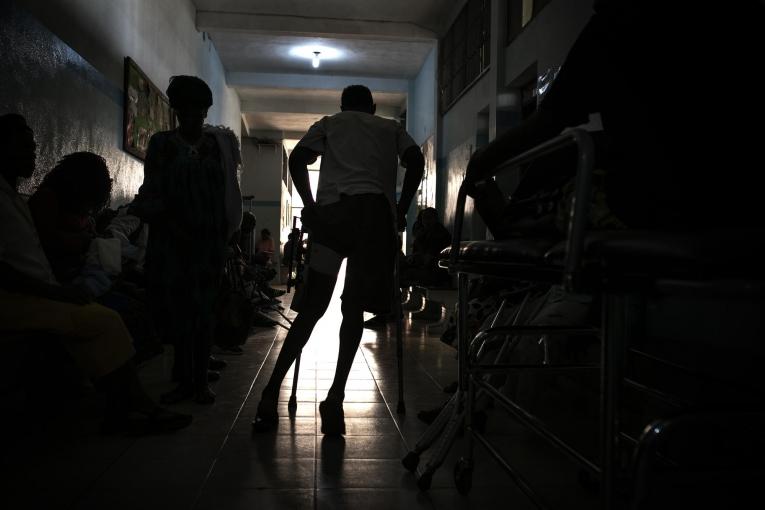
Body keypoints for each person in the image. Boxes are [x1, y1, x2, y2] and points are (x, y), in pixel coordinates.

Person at [465, 1, 764, 232]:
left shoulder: (615, 25)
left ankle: (520, 271)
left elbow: (547, 123)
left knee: (558, 169)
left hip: (652, 199)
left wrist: (482, 161)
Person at [0, 113, 191, 435]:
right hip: (27, 295)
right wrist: (59, 288)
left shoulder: (11, 194)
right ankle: (132, 406)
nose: (32, 153)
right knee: (110, 318)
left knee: (134, 305)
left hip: (46, 288)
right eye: (23, 147)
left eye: (33, 146)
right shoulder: (38, 200)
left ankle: (122, 400)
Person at [252, 84, 424, 434]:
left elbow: (299, 158)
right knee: (353, 309)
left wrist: (311, 207)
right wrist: (400, 210)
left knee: (313, 308)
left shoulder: (331, 123)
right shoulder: (390, 127)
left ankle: (270, 393)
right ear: (373, 107)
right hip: (374, 222)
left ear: (343, 105)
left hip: (335, 219)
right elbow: (416, 160)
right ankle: (335, 399)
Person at [130, 75, 242, 404]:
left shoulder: (215, 146)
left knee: (204, 311)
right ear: (176, 111)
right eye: (187, 112)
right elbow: (154, 190)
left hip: (208, 239)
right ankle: (184, 376)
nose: (194, 119)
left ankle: (198, 380)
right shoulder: (163, 144)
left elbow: (227, 195)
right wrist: (167, 222)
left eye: (200, 112)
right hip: (172, 238)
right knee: (180, 312)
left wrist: (226, 234)